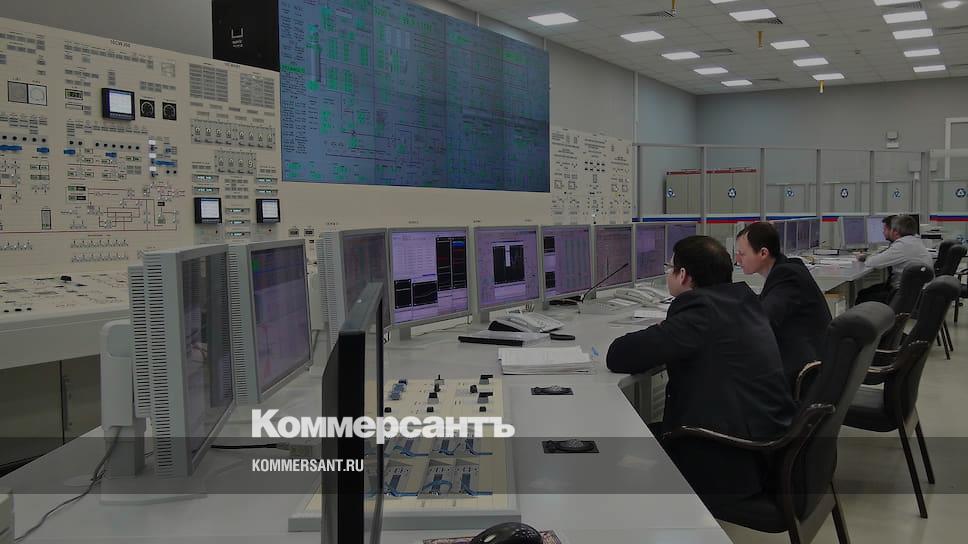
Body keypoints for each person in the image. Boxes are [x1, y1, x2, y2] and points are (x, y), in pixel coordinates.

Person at [606, 235, 795, 509]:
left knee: (611, 450)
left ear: (683, 275)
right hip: (764, 450)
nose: (668, 273)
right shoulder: (744, 301)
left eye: (670, 267)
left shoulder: (700, 312)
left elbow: (619, 355)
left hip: (728, 459)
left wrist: (663, 331)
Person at [735, 222, 832, 389]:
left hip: (803, 376)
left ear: (763, 253)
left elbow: (763, 320)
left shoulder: (787, 275)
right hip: (810, 363)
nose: (737, 260)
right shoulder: (788, 269)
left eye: (742, 254)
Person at [855, 215, 931, 304]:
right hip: (917, 293)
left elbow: (871, 262)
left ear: (895, 232)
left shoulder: (902, 245)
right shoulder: (913, 241)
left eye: (885, 229)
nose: (883, 232)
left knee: (864, 296)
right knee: (867, 292)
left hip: (904, 295)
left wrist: (866, 257)